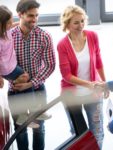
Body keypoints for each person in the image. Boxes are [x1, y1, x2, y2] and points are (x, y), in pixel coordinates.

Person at [57, 5, 108, 149]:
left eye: (82, 21)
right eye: (76, 22)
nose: (80, 26)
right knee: (78, 134)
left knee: (97, 132)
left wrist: (104, 83)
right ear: (67, 24)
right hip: (72, 96)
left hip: (93, 92)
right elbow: (66, 75)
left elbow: (98, 61)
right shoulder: (62, 45)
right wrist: (89, 84)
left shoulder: (92, 36)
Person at [8, 0, 56, 150]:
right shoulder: (8, 37)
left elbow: (50, 65)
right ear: (20, 14)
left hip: (38, 88)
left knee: (39, 130)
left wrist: (30, 83)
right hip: (15, 91)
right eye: (30, 15)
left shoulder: (44, 36)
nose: (34, 19)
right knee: (20, 131)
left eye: (37, 15)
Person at [0, 5, 29, 85]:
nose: (11, 24)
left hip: (10, 64)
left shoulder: (6, 29)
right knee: (25, 77)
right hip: (7, 69)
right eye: (9, 23)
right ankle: (14, 83)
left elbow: (12, 25)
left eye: (11, 21)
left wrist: (21, 23)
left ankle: (14, 83)